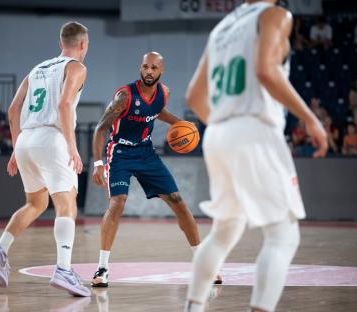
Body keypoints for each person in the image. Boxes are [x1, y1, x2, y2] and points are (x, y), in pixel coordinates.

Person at [184, 1, 327, 311]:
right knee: (283, 236)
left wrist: (227, 126)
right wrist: (311, 119)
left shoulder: (222, 28)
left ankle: (193, 307)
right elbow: (266, 71)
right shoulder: (275, 15)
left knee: (226, 229)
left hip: (218, 132)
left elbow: (194, 96)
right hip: (252, 129)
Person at [91, 52, 221, 287]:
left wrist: (179, 124)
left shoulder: (164, 92)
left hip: (146, 153)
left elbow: (156, 111)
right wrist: (98, 163)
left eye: (153, 68)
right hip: (120, 152)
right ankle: (102, 269)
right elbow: (101, 128)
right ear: (140, 69)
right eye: (145, 67)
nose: (148, 71)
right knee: (117, 203)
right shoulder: (124, 96)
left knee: (178, 201)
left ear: (161, 70)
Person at [0, 21, 91, 297]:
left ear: (60, 44)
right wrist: (72, 145)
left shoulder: (37, 68)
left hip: (26, 141)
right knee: (66, 205)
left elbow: (12, 110)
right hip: (51, 139)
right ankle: (64, 270)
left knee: (36, 202)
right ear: (83, 45)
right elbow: (64, 104)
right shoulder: (77, 67)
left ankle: (0, 249)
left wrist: (16, 146)